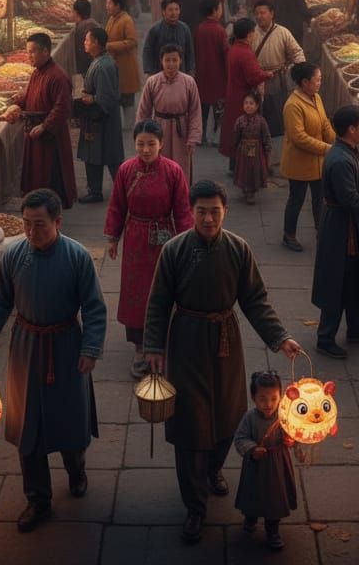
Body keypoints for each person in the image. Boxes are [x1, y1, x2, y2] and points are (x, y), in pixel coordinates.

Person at [143, 180, 302, 545]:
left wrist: (280, 338)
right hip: (186, 341)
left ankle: (212, 469)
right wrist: (154, 345)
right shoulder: (174, 250)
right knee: (190, 423)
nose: (209, 218)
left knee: (230, 416)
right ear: (191, 212)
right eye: (201, 211)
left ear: (225, 211)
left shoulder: (238, 249)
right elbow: (157, 303)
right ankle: (195, 506)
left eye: (215, 211)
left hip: (226, 342)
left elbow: (255, 300)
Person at [0, 189, 107, 533]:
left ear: (58, 222)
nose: (31, 232)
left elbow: (94, 307)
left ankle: (77, 470)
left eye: (39, 225)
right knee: (27, 424)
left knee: (70, 418)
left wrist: (90, 349)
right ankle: (37, 498)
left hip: (66, 347)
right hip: (26, 347)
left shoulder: (77, 257)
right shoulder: (14, 254)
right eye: (26, 224)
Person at [104, 120, 193, 378]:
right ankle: (141, 347)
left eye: (151, 144)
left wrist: (186, 241)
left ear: (161, 144)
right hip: (135, 238)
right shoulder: (126, 170)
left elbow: (183, 210)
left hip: (165, 239)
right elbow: (117, 206)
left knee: (165, 289)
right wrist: (112, 238)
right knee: (136, 292)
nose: (145, 149)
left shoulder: (174, 171)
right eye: (141, 144)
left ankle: (163, 342)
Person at [312, 104, 359, 358]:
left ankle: (355, 327)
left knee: (356, 276)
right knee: (336, 280)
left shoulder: (347, 151)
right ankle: (325, 337)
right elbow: (350, 201)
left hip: (350, 225)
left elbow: (356, 189)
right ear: (351, 129)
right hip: (341, 229)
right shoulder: (341, 160)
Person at [4, 33, 77, 209]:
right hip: (34, 130)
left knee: (50, 172)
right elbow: (30, 95)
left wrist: (45, 126)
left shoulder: (58, 76)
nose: (28, 56)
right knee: (36, 171)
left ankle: (52, 207)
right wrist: (17, 102)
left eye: (32, 52)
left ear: (45, 51)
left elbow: (62, 109)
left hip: (51, 136)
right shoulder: (37, 72)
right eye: (27, 52)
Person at [233, 369, 298, 551]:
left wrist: (289, 439)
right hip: (256, 465)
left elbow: (292, 432)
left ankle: (272, 529)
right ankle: (251, 517)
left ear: (280, 396)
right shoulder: (249, 418)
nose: (268, 404)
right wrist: (252, 449)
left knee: (276, 497)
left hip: (278, 464)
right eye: (262, 399)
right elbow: (240, 438)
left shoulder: (283, 415)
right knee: (253, 492)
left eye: (274, 398)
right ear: (254, 397)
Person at [280, 63, 335, 252]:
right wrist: (327, 149)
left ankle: (322, 233)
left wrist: (338, 143)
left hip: (318, 163)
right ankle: (289, 235)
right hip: (299, 163)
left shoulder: (316, 98)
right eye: (317, 79)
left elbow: (325, 124)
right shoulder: (292, 105)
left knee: (319, 200)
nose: (320, 82)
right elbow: (299, 138)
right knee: (297, 199)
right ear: (305, 82)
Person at [137, 45, 203, 180]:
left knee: (181, 166)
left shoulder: (189, 82)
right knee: (159, 165)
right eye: (167, 60)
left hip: (182, 130)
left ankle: (181, 195)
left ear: (180, 61)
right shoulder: (152, 81)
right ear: (161, 61)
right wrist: (142, 136)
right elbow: (144, 111)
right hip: (159, 129)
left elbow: (195, 111)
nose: (171, 64)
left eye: (174, 60)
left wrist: (193, 138)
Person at [75, 27, 125, 204]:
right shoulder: (100, 61)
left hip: (103, 119)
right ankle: (95, 190)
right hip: (98, 119)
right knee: (95, 156)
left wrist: (91, 98)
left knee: (109, 157)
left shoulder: (103, 65)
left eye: (87, 40)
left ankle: (123, 190)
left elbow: (106, 97)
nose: (85, 43)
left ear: (96, 42)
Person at [219, 19, 273, 163]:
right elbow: (253, 77)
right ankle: (243, 166)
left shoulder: (235, 48)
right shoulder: (245, 53)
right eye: (253, 32)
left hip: (233, 93)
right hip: (243, 97)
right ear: (249, 34)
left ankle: (234, 163)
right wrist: (267, 74)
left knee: (234, 129)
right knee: (245, 131)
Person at [252, 0, 306, 139]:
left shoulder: (283, 32)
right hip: (256, 81)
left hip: (277, 80)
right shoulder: (251, 33)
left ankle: (277, 150)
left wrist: (299, 70)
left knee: (277, 116)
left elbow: (297, 52)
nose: (259, 16)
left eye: (263, 13)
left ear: (271, 14)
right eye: (257, 13)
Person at [194, 0, 229, 145]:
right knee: (218, 109)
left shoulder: (199, 29)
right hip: (218, 75)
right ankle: (216, 136)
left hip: (201, 74)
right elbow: (226, 54)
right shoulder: (220, 31)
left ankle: (200, 136)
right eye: (220, 8)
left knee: (202, 108)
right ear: (215, 11)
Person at [104, 0, 141, 128]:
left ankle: (129, 126)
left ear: (118, 5)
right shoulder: (112, 18)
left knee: (127, 97)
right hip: (116, 64)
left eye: (109, 3)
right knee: (118, 94)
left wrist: (110, 46)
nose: (107, 6)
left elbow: (132, 42)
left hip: (125, 65)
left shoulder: (126, 20)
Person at [232, 92, 272, 205]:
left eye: (251, 103)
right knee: (244, 170)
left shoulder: (261, 121)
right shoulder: (240, 120)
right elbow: (235, 135)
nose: (248, 106)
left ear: (257, 106)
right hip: (243, 150)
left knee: (254, 170)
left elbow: (266, 136)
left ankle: (251, 192)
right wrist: (235, 148)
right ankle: (245, 188)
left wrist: (267, 149)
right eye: (246, 103)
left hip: (257, 151)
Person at [143, 0, 195, 76]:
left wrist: (190, 70)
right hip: (160, 72)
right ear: (163, 11)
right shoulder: (155, 29)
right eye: (170, 10)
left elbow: (189, 51)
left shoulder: (185, 29)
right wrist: (148, 71)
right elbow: (148, 51)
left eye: (176, 9)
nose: (174, 13)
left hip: (181, 73)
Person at [71, 0, 98, 84]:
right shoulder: (91, 23)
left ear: (76, 12)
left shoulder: (84, 27)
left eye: (73, 11)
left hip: (89, 67)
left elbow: (83, 52)